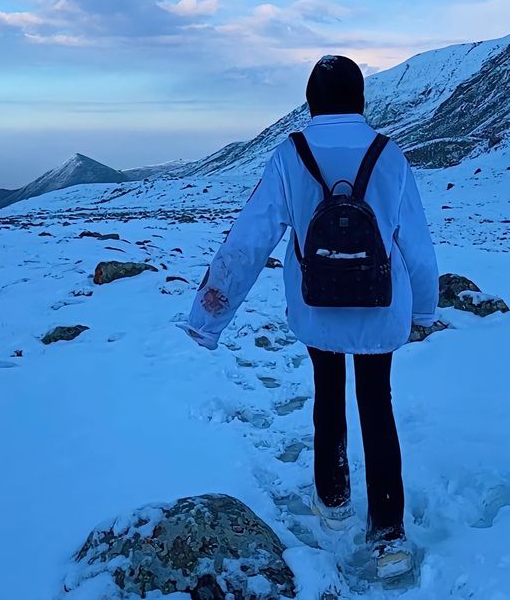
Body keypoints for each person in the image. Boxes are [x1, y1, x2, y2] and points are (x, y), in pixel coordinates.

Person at [180, 54, 438, 582]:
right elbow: (417, 245)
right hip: (380, 305)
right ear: (361, 99)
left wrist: (208, 318)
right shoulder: (389, 155)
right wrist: (427, 310)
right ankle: (388, 536)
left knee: (327, 394)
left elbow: (249, 240)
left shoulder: (289, 155)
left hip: (317, 306)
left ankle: (334, 502)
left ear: (311, 100)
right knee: (377, 405)